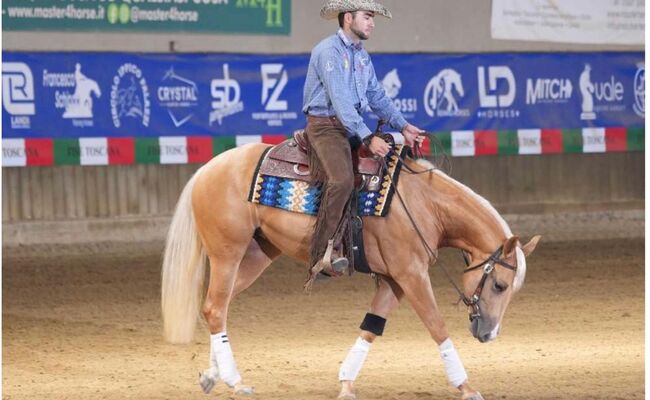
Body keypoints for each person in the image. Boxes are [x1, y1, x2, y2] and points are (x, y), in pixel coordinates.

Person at [302, 0, 425, 280]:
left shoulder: (361, 56)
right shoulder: (329, 52)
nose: (372, 23)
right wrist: (368, 137)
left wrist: (403, 126)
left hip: (347, 127)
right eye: (367, 17)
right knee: (342, 180)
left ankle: (367, 246)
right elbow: (342, 102)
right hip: (325, 127)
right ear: (348, 18)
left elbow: (377, 96)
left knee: (379, 174)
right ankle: (320, 254)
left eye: (372, 18)